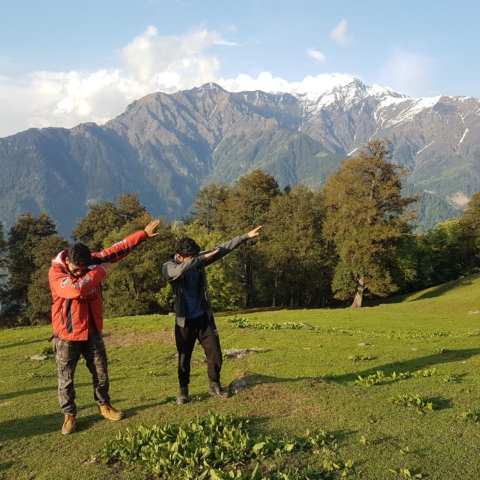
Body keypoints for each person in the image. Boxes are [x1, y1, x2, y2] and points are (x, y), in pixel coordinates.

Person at [48, 219, 160, 434]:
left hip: (92, 330)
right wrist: (100, 271)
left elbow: (116, 250)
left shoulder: (91, 262)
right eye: (76, 270)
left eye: (84, 269)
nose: (80, 273)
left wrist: (143, 235)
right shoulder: (56, 273)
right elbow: (75, 289)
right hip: (67, 334)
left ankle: (104, 406)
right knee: (66, 378)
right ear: (68, 261)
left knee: (101, 372)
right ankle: (69, 415)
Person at [162, 226, 263, 405]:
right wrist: (201, 259)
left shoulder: (198, 259)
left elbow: (221, 249)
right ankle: (183, 390)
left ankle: (214, 385)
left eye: (196, 257)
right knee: (184, 358)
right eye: (191, 258)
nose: (195, 260)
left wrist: (245, 236)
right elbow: (178, 272)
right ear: (180, 256)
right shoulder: (168, 267)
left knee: (215, 353)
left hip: (204, 318)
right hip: (184, 322)